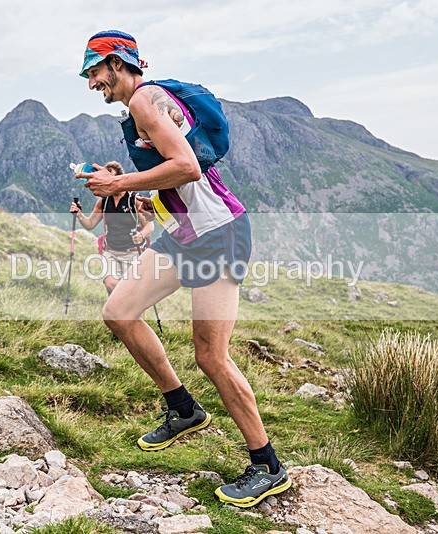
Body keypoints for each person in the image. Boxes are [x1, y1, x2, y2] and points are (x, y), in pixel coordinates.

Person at [76, 30, 291, 507]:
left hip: (218, 234)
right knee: (119, 311)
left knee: (211, 356)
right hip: (186, 235)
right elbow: (174, 171)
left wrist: (120, 185)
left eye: (94, 71)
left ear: (116, 63)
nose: (92, 83)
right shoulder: (149, 102)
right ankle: (183, 409)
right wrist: (123, 185)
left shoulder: (144, 100)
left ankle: (267, 466)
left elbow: (189, 167)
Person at [70, 161, 154, 294]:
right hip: (111, 251)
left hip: (132, 253)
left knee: (133, 294)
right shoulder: (104, 201)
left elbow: (150, 225)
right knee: (110, 284)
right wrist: (79, 215)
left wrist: (141, 235)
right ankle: (117, 312)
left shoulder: (133, 200)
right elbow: (90, 224)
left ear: (119, 179)